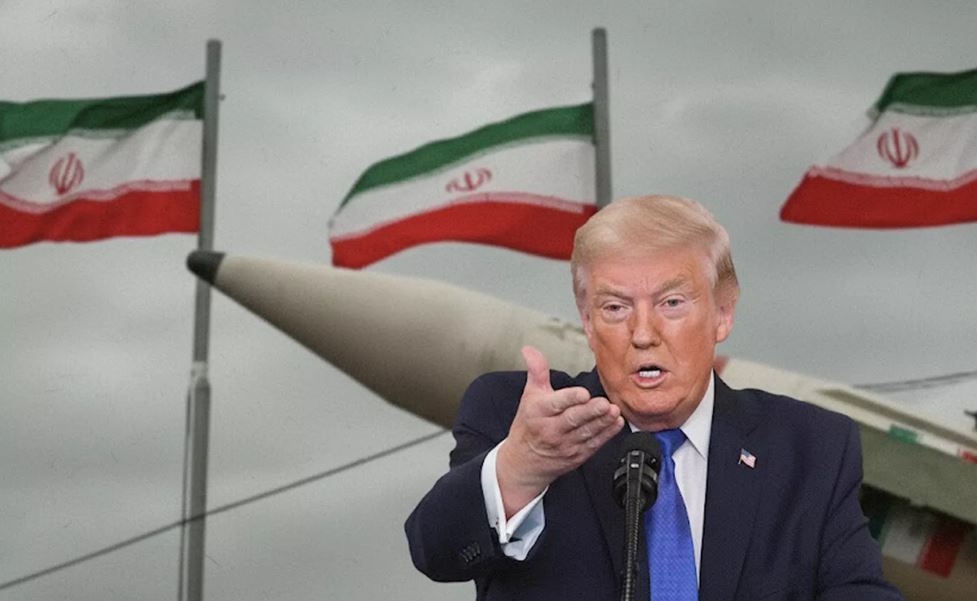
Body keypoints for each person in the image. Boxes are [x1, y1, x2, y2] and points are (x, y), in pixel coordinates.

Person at [405, 194, 902, 601]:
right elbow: (435, 551)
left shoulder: (809, 448)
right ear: (587, 320)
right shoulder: (516, 416)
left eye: (671, 302)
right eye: (615, 307)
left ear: (723, 313)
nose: (644, 333)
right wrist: (521, 467)